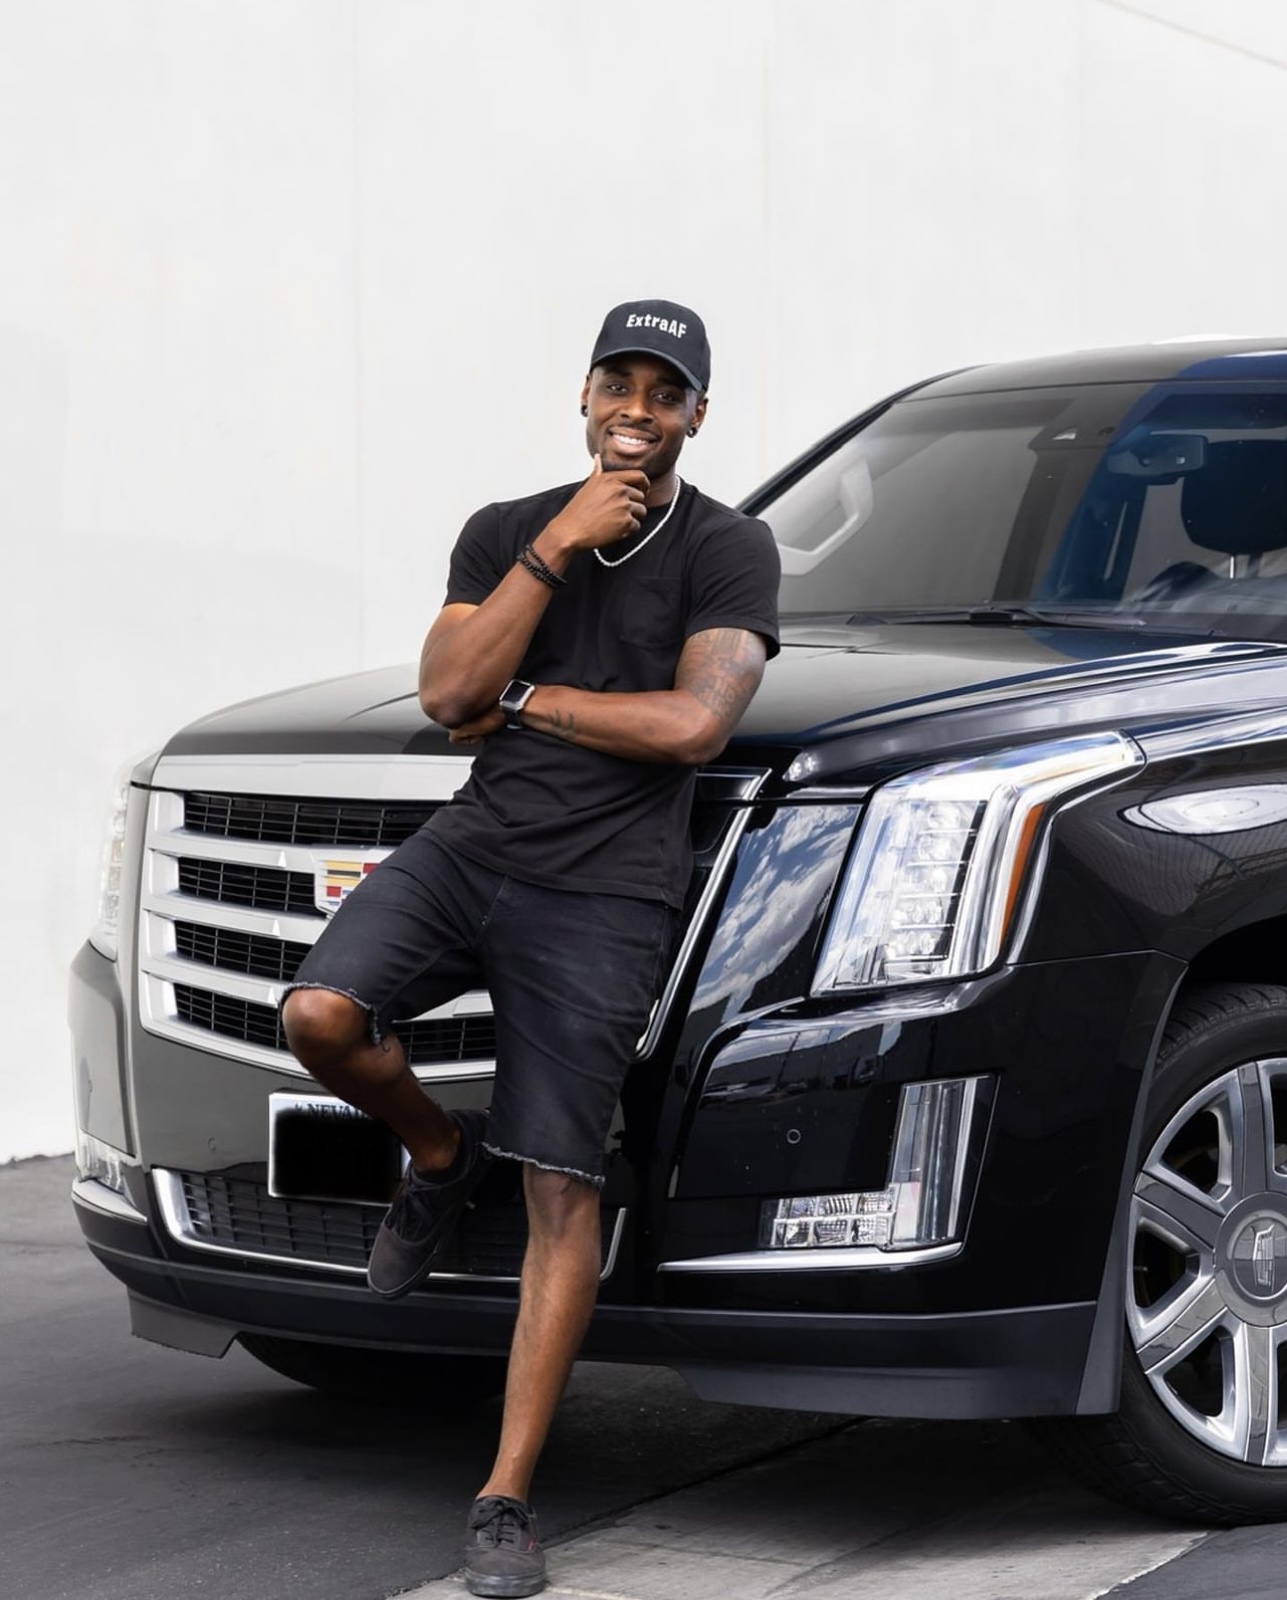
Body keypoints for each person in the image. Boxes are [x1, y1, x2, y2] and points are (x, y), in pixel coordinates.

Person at [280, 298, 780, 1598]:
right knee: (320, 1017)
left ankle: (503, 1499)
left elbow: (688, 729)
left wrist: (524, 699)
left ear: (695, 417)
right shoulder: (509, 529)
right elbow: (445, 698)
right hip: (475, 849)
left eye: (662, 392)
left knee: (562, 1183)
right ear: (582, 394)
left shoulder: (731, 549)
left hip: (606, 893)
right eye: (615, 381)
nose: (634, 406)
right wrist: (558, 545)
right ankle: (437, 1157)